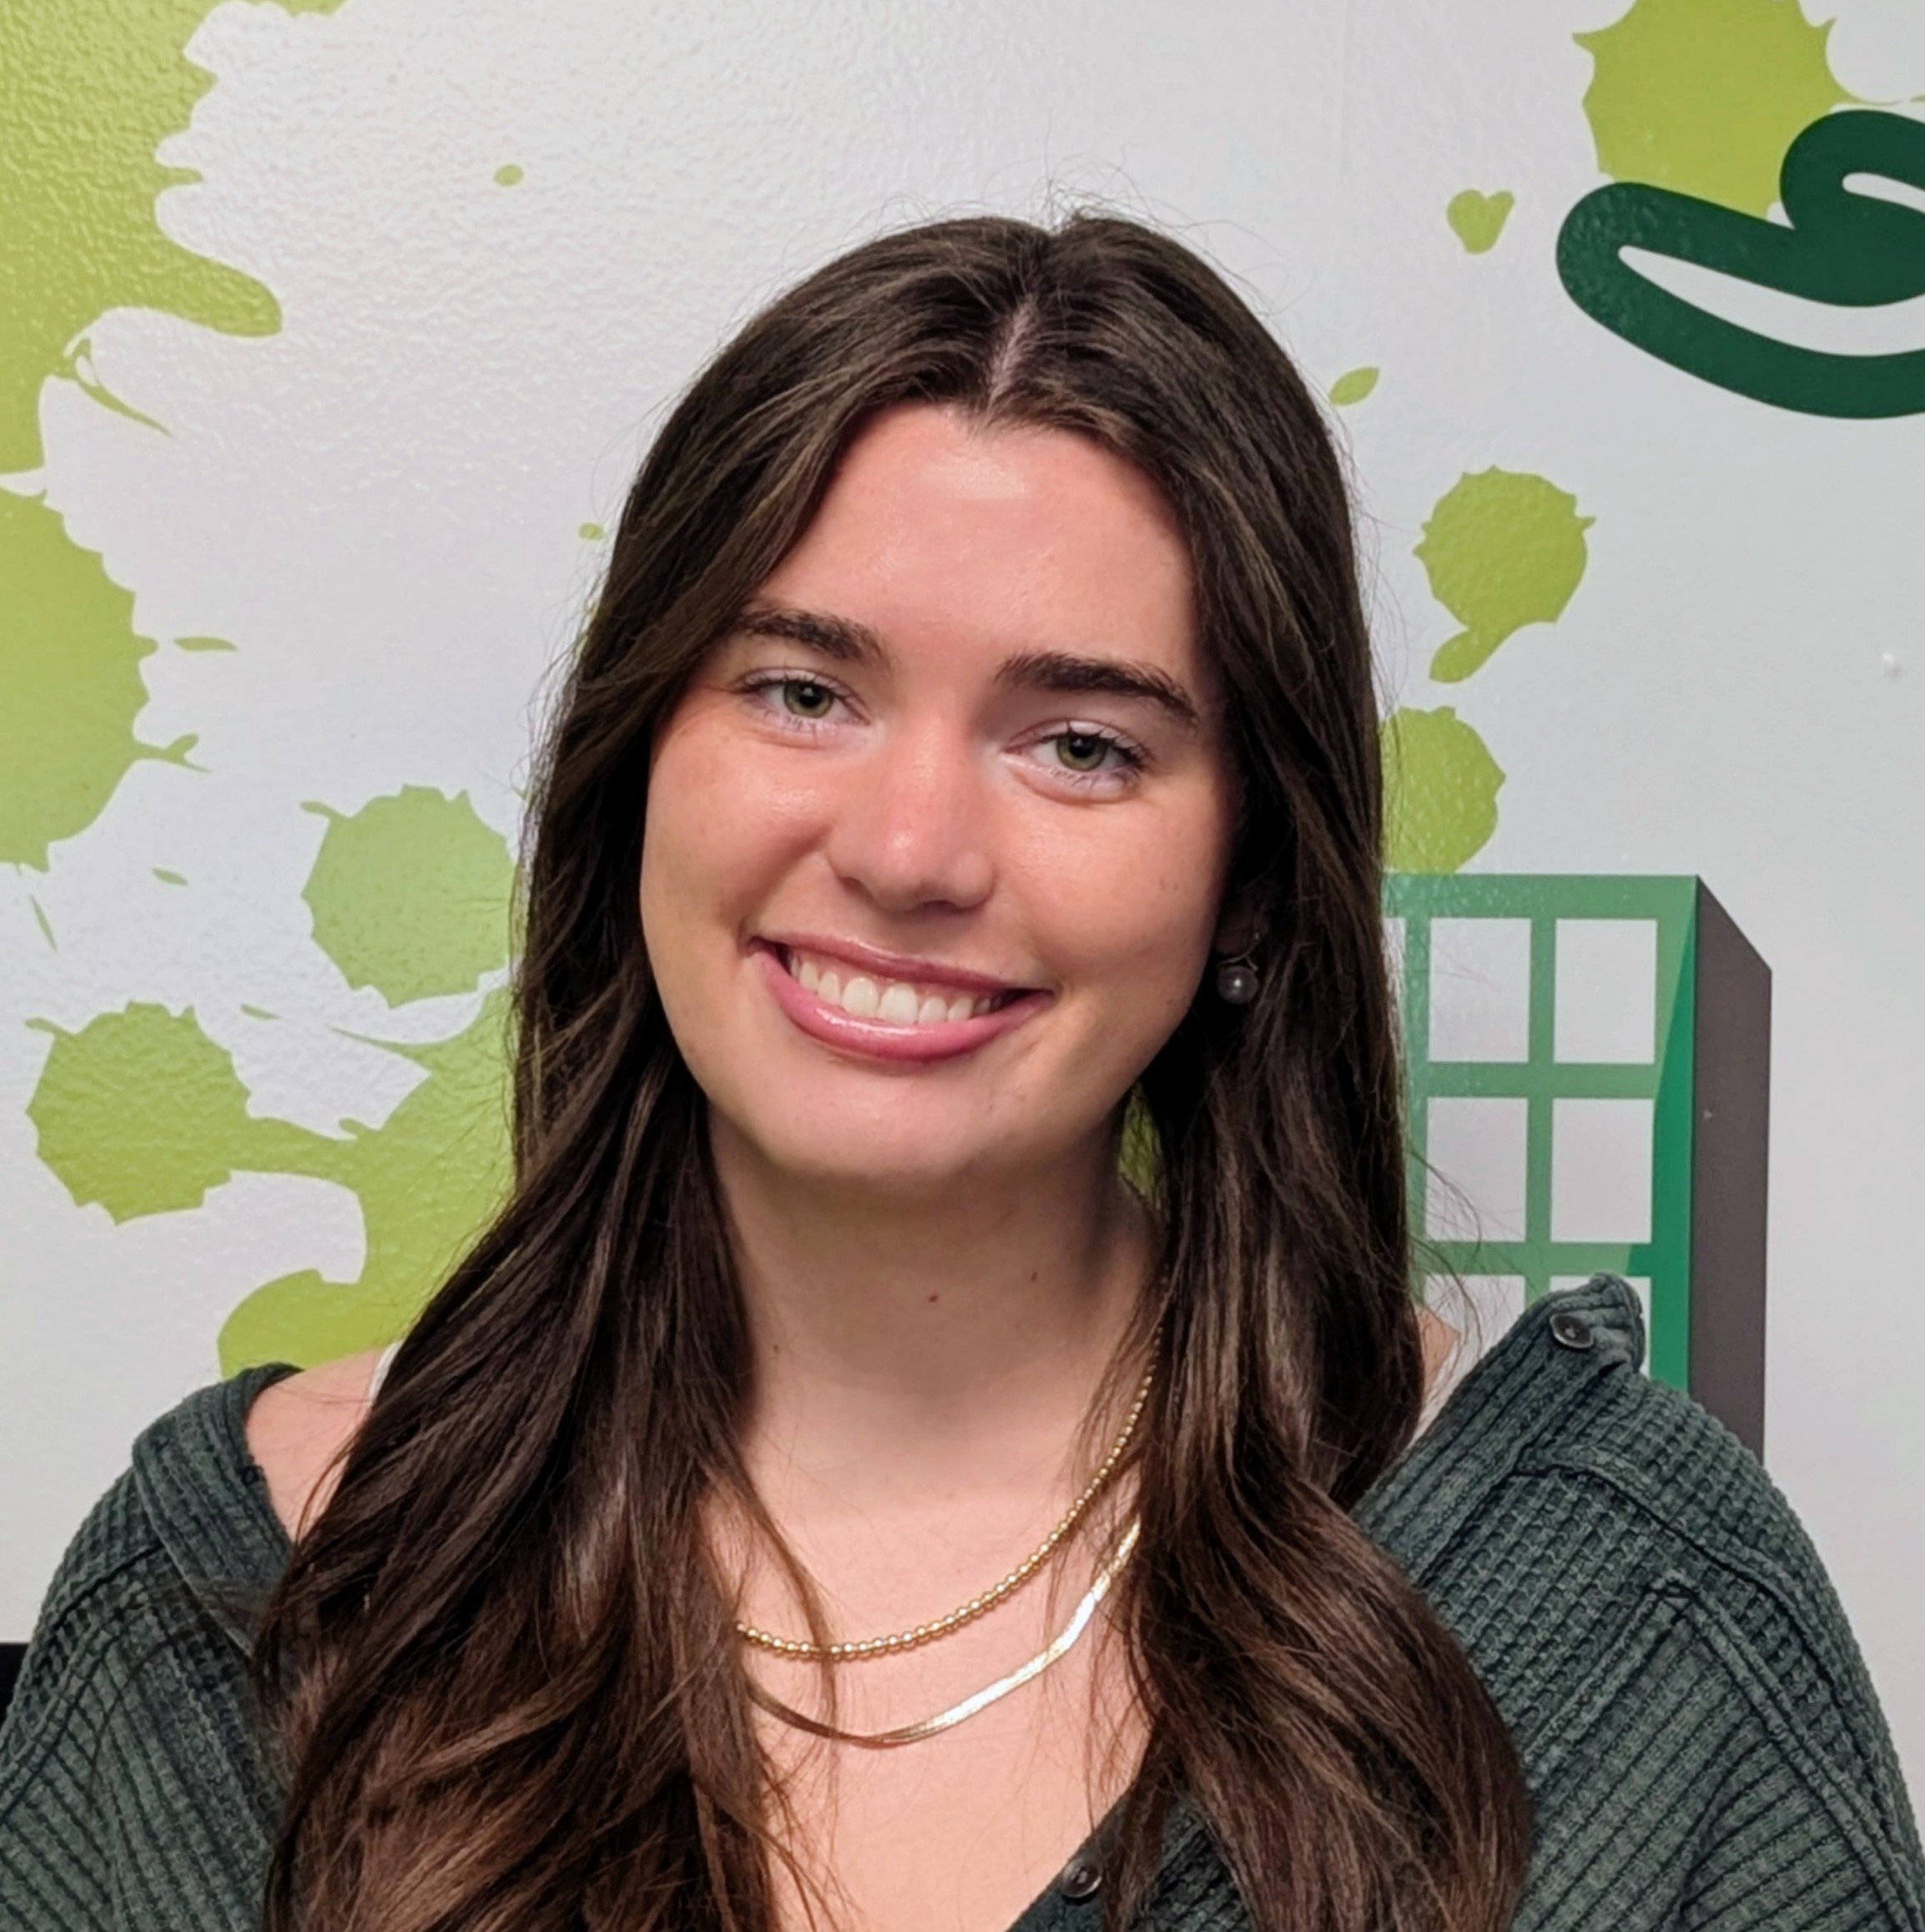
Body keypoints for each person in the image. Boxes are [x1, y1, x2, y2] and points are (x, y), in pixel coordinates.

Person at [2, 213, 1920, 1932]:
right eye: (800, 691)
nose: (909, 850)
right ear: (630, 772)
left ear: (1252, 876)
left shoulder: (1621, 1611)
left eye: (1080, 743)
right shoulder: (230, 1611)